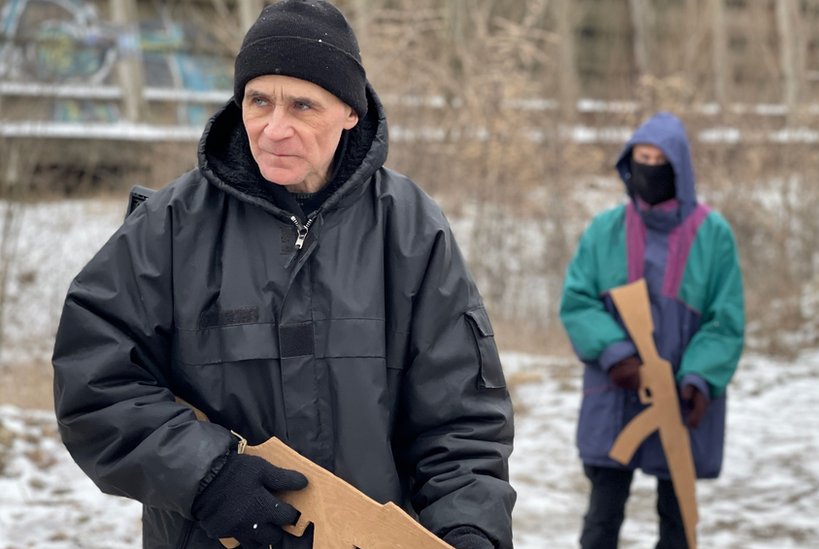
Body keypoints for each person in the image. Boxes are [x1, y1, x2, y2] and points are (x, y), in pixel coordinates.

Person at [51, 2, 515, 548]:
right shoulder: (169, 228)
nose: (275, 129)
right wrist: (207, 477)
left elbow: (460, 417)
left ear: (350, 112)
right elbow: (95, 384)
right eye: (258, 100)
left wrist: (468, 529)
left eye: (302, 105)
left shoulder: (410, 229)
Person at [559, 112, 744, 548]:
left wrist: (699, 378)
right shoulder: (606, 229)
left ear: (679, 168)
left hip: (679, 399)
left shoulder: (712, 235)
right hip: (615, 391)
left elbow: (725, 321)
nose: (649, 168)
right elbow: (577, 302)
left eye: (660, 159)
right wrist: (616, 354)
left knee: (678, 516)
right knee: (602, 516)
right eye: (641, 157)